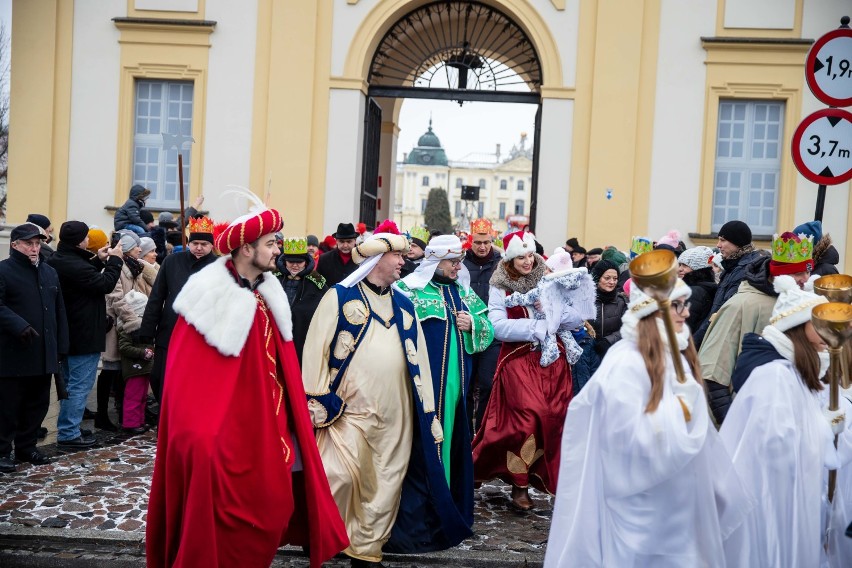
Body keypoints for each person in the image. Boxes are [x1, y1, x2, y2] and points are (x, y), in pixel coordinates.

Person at [146, 201, 348, 568]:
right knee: (221, 519)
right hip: (225, 436)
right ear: (246, 248)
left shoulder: (268, 295)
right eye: (271, 243)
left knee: (274, 507)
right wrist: (200, 440)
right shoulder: (208, 299)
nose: (278, 251)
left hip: (270, 429)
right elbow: (190, 381)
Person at [545, 276, 751, 567]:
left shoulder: (672, 356)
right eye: (677, 305)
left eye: (685, 305)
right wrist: (681, 415)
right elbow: (626, 441)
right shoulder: (627, 363)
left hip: (677, 509)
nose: (686, 313)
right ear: (653, 311)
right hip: (641, 511)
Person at [302, 231, 471, 567]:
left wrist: (428, 412)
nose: (402, 263)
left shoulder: (404, 305)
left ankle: (365, 551)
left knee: (385, 485)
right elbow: (315, 349)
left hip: (397, 416)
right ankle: (327, 537)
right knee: (338, 475)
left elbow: (420, 359)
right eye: (397, 257)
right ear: (378, 260)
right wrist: (318, 398)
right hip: (347, 413)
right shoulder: (340, 297)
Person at [720, 275, 852, 567]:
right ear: (796, 327)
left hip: (797, 496)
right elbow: (777, 446)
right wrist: (822, 430)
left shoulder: (802, 373)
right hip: (773, 501)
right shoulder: (775, 377)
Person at [472, 231, 585, 511]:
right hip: (519, 359)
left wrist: (552, 309)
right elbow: (497, 324)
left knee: (554, 419)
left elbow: (577, 316)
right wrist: (536, 328)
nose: (526, 260)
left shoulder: (551, 278)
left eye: (530, 255)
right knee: (527, 417)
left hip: (553, 362)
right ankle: (518, 484)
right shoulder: (500, 285)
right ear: (510, 258)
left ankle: (548, 478)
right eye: (520, 256)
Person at [396, 234, 494, 530]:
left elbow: (488, 328)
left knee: (450, 439)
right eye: (453, 261)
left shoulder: (464, 293)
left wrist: (473, 324)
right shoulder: (408, 290)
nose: (457, 267)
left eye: (459, 261)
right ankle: (419, 509)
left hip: (454, 390)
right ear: (436, 262)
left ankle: (447, 504)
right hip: (418, 386)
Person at [699, 232, 814, 424]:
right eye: (797, 273)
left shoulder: (807, 307)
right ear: (779, 275)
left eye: (808, 271)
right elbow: (713, 377)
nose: (805, 279)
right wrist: (732, 427)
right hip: (750, 423)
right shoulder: (741, 306)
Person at [47, 221, 124, 449]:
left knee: (70, 384)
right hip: (83, 334)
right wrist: (115, 260)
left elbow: (84, 275)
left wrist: (98, 260)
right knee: (79, 386)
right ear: (81, 240)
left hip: (69, 334)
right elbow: (105, 284)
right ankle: (69, 434)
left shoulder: (59, 259)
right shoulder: (75, 266)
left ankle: (68, 427)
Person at [0, 223, 68, 472]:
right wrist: (18, 325)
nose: (34, 248)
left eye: (37, 243)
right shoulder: (4, 270)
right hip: (13, 354)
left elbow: (58, 310)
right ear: (15, 245)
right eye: (29, 243)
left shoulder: (49, 272)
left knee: (38, 405)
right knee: (8, 407)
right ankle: (3, 451)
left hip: (43, 353)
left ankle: (27, 447)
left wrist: (62, 345)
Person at [139, 216, 217, 404]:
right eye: (195, 243)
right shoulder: (172, 262)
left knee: (194, 385)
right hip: (170, 331)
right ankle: (167, 420)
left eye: (204, 244)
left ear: (211, 246)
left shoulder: (220, 266)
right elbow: (157, 297)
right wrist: (147, 331)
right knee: (160, 379)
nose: (199, 247)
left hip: (203, 336)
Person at [99, 230, 146, 432]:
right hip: (116, 326)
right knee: (110, 372)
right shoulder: (117, 268)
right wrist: (133, 321)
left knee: (122, 372)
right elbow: (115, 298)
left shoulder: (134, 267)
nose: (140, 249)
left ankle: (122, 413)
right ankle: (102, 415)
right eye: (136, 246)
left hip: (126, 325)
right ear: (126, 248)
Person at [462, 218, 503, 432]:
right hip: (468, 333)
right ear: (471, 241)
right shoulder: (461, 263)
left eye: (486, 242)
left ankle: (484, 433)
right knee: (467, 386)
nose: (482, 246)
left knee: (487, 383)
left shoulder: (501, 264)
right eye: (478, 242)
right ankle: (467, 433)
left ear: (491, 240)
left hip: (493, 333)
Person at [693, 220, 763, 346]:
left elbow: (720, 312)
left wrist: (694, 344)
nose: (718, 245)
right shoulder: (733, 267)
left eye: (723, 240)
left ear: (738, 242)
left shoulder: (744, 270)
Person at [276, 237, 327, 363]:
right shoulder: (273, 279)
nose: (294, 265)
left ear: (305, 261)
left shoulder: (317, 283)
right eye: (290, 261)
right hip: (277, 341)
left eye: (299, 262)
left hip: (303, 343)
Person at [116, 290, 153, 435]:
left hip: (144, 367)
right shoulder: (128, 328)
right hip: (134, 367)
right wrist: (142, 353)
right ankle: (130, 423)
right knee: (133, 396)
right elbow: (124, 347)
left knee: (142, 396)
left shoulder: (143, 325)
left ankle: (139, 421)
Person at [677, 246, 717, 336]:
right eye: (680, 265)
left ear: (698, 270)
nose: (680, 269)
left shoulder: (694, 292)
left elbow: (685, 326)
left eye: (685, 265)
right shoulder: (706, 288)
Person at [316, 222, 359, 286]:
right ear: (336, 241)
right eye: (341, 241)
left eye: (349, 241)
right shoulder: (324, 259)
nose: (345, 245)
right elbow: (318, 284)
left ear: (355, 241)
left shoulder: (363, 258)